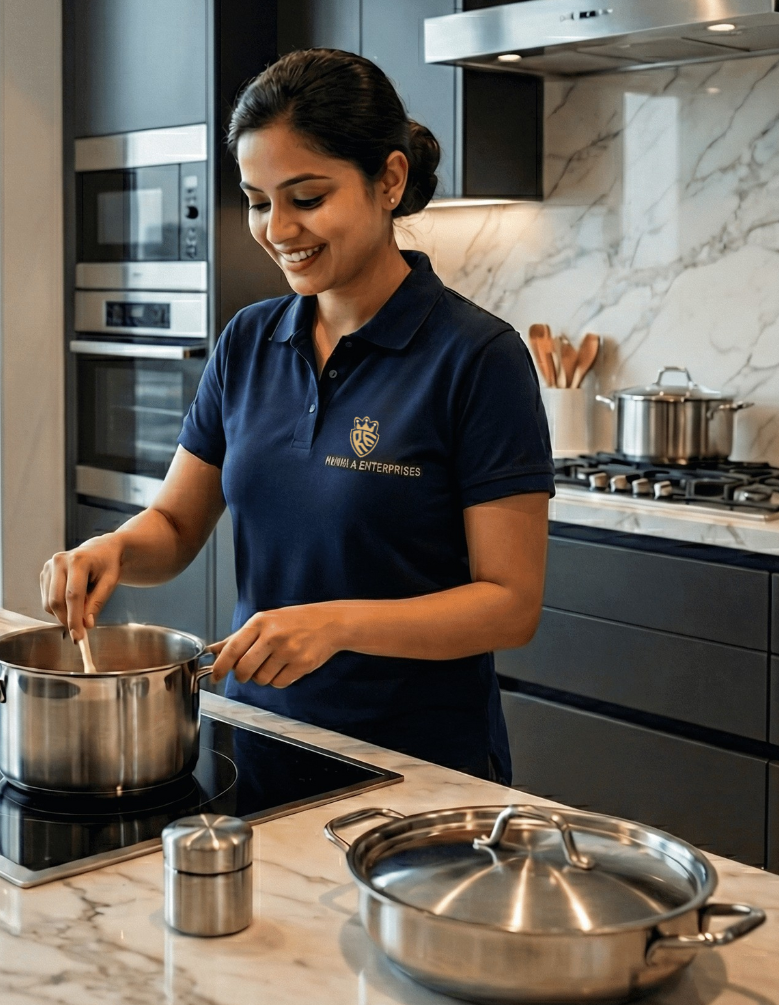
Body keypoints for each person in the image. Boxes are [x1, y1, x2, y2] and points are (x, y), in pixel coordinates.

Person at [41, 49, 554, 781]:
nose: (278, 228)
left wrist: (337, 624)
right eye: (258, 201)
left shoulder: (477, 358)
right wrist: (113, 551)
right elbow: (177, 527)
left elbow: (509, 604)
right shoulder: (248, 341)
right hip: (261, 743)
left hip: (419, 773)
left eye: (306, 198)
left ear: (389, 180)